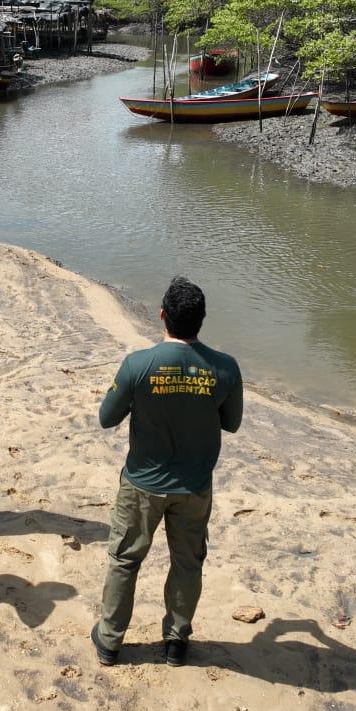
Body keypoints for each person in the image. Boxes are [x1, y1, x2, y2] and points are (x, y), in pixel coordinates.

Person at [92, 276, 243, 668]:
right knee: (188, 564)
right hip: (194, 486)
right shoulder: (225, 368)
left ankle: (109, 641)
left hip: (143, 483)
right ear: (202, 319)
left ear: (162, 316)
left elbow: (107, 418)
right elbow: (232, 423)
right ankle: (176, 640)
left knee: (125, 560)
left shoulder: (138, 364)